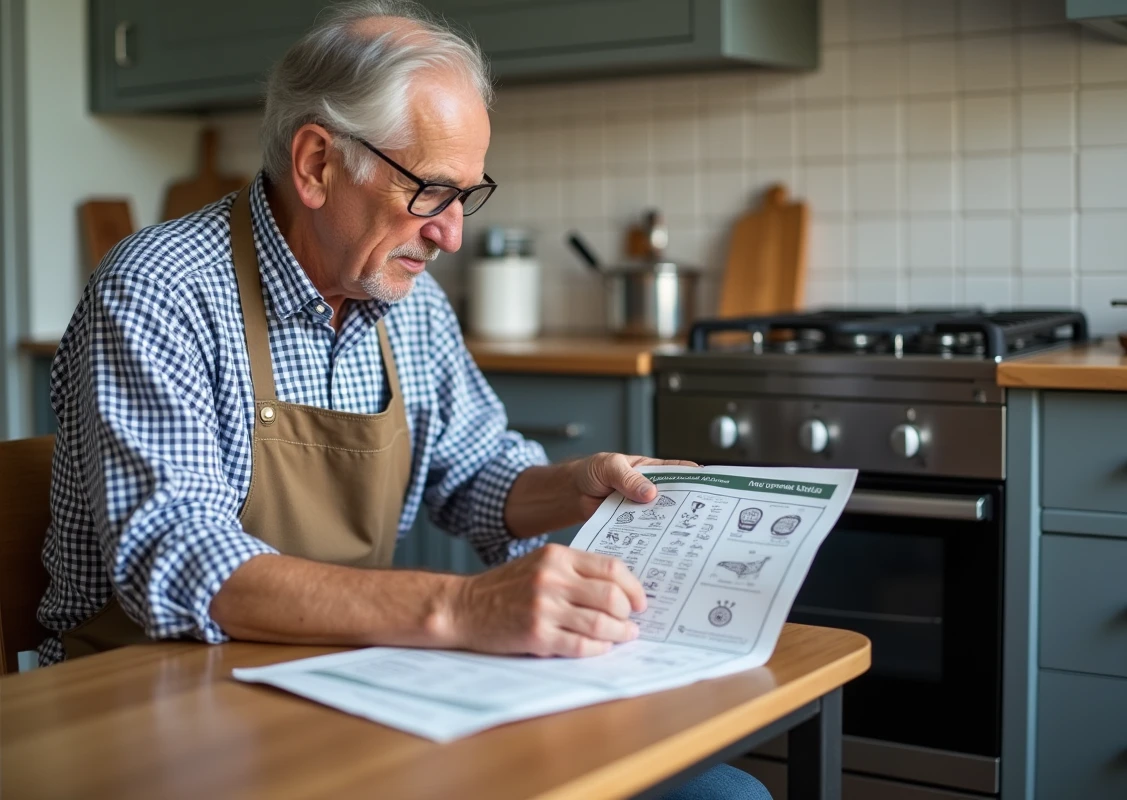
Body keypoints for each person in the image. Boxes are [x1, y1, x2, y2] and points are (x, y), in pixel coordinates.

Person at [35, 1, 770, 798]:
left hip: (343, 688)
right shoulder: (159, 290)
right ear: (317, 164)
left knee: (723, 794)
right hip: (158, 711)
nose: (452, 234)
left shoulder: (406, 302)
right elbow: (181, 564)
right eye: (430, 191)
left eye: (466, 195)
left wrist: (575, 483)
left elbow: (474, 473)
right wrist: (463, 609)